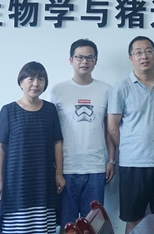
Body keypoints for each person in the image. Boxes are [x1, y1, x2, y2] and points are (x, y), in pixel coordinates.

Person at [107, 36, 154, 234]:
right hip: (133, 165)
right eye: (138, 52)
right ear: (131, 58)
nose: (144, 56)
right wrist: (130, 147)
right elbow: (112, 126)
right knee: (134, 219)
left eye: (148, 51)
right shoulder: (121, 86)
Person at [49, 39, 115, 227]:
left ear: (96, 61)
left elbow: (109, 129)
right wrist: (55, 168)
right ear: (71, 60)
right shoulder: (58, 90)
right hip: (66, 169)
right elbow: (52, 132)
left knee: (93, 225)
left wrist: (111, 160)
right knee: (67, 225)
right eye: (79, 57)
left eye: (89, 57)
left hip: (96, 168)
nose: (84, 61)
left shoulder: (106, 90)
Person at [0, 61, 65, 234]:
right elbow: (0, 148)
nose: (35, 83)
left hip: (44, 179)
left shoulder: (50, 110)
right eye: (30, 79)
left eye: (40, 79)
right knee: (17, 228)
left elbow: (57, 143)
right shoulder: (8, 110)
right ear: (21, 82)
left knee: (42, 227)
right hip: (16, 180)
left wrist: (58, 173)